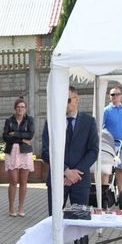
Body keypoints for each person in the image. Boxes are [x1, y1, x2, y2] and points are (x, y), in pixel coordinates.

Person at [42, 86, 99, 215]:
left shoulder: (89, 122)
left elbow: (93, 151)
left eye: (67, 100)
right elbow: (46, 151)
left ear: (77, 99)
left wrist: (74, 174)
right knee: (55, 220)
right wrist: (66, 171)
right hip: (58, 179)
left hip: (80, 179)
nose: (64, 104)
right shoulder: (52, 122)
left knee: (80, 220)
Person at [2, 96, 35, 217]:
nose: (20, 109)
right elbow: (5, 137)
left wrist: (14, 134)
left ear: (25, 108)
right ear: (15, 108)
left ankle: (21, 207)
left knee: (23, 181)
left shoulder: (29, 120)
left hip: (25, 152)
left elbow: (30, 135)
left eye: (22, 107)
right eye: (18, 107)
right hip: (12, 152)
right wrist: (22, 138)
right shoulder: (9, 120)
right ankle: (11, 207)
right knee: (14, 181)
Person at [102, 86, 122, 202]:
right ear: (109, 96)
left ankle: (121, 195)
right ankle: (104, 194)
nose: (115, 96)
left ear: (121, 96)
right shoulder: (106, 111)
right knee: (106, 170)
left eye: (117, 94)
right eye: (112, 94)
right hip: (109, 145)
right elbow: (100, 127)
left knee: (121, 169)